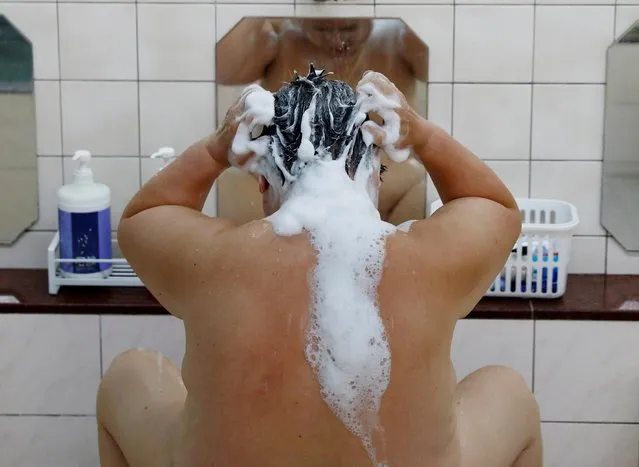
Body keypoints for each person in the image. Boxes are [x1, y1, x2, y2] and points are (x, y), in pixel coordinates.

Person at [97, 70, 541, 467]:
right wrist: (419, 135)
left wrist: (218, 146)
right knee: (507, 391)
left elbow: (145, 216)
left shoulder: (213, 260)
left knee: (130, 375)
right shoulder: (430, 258)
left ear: (264, 182)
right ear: (374, 176)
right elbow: (492, 206)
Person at [216, 18, 429, 226]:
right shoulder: (279, 39)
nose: (336, 33)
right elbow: (222, 70)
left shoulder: (398, 38)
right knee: (230, 182)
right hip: (284, 201)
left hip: (387, 199)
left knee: (425, 188)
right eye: (323, 26)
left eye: (348, 25)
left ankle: (396, 254)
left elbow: (448, 56)